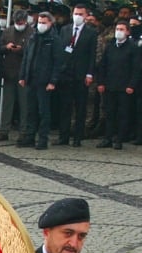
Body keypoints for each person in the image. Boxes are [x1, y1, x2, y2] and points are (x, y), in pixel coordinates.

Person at [17, 10, 64, 150]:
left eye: (44, 23)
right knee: (31, 110)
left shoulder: (54, 39)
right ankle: (30, 136)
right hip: (31, 79)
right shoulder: (33, 37)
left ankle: (43, 139)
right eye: (40, 22)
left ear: (50, 23)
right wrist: (23, 76)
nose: (41, 25)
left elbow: (58, 63)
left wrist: (53, 81)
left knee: (43, 111)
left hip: (45, 81)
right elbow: (26, 58)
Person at [56, 3, 96, 147]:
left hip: (81, 74)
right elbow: (60, 50)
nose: (77, 16)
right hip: (66, 73)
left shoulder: (91, 33)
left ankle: (77, 137)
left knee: (80, 108)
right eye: (76, 13)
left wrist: (89, 74)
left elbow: (92, 55)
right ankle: (63, 136)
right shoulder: (65, 29)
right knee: (64, 106)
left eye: (80, 14)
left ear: (86, 16)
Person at [96, 19, 137, 150]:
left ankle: (119, 139)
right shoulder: (110, 46)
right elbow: (103, 65)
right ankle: (107, 138)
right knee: (109, 113)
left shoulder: (132, 47)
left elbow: (136, 68)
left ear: (128, 32)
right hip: (109, 85)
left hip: (124, 87)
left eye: (121, 30)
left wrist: (131, 85)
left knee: (123, 114)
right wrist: (101, 82)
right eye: (117, 29)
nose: (118, 32)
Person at [0, 9, 29, 141]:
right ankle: (4, 130)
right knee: (7, 104)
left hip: (24, 73)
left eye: (21, 22)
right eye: (17, 22)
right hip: (9, 72)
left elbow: (33, 51)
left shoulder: (32, 32)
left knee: (24, 104)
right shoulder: (7, 31)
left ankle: (24, 132)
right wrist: (6, 47)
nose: (19, 24)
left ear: (26, 21)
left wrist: (22, 50)